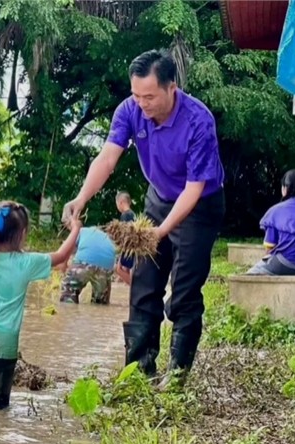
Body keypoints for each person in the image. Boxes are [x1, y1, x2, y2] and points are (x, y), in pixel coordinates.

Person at [62, 49, 225, 386]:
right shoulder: (129, 110)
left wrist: (160, 232)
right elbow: (107, 158)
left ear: (171, 87)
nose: (142, 103)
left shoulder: (199, 120)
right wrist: (81, 197)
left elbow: (194, 188)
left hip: (199, 206)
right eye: (136, 95)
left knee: (184, 292)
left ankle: (176, 377)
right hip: (158, 199)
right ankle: (138, 372)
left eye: (149, 96)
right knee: (144, 286)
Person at [0, 202, 80, 412]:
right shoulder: (26, 262)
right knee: (0, 409)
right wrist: (76, 229)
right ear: (22, 233)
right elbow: (61, 255)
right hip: (6, 344)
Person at [247, 170, 295, 276]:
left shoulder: (275, 211)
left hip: (284, 263)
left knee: (252, 272)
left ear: (285, 188)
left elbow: (269, 248)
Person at [59, 226, 116, 305]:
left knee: (69, 292)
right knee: (101, 303)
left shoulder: (79, 231)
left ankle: (69, 312)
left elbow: (66, 252)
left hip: (84, 261)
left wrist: (63, 271)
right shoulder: (106, 237)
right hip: (106, 266)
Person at [115, 191, 135, 285]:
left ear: (121, 202)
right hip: (133, 247)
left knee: (118, 268)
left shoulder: (125, 215)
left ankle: (133, 286)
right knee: (127, 270)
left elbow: (124, 234)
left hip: (127, 248)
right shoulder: (133, 214)